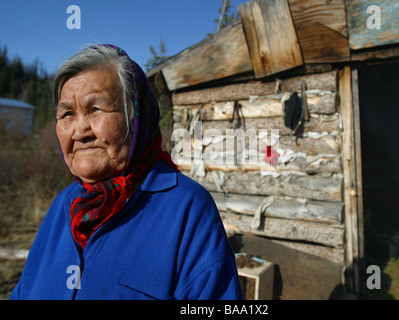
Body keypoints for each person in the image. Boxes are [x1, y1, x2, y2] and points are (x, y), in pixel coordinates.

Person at [9, 44, 243, 300]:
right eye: (67, 114)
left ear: (136, 117)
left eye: (96, 109)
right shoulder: (65, 206)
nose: (79, 131)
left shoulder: (186, 209)